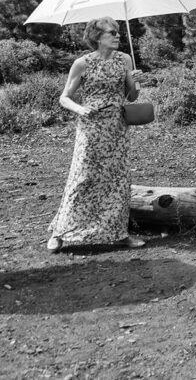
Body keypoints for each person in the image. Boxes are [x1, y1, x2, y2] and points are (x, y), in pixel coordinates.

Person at [48, 17, 145, 253]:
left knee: (118, 181)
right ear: (96, 36)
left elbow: (131, 97)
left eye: (118, 32)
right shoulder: (82, 63)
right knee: (83, 178)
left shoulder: (124, 60)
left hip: (117, 128)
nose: (118, 36)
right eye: (112, 32)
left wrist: (136, 84)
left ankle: (119, 233)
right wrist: (80, 109)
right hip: (91, 129)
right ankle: (60, 232)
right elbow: (65, 97)